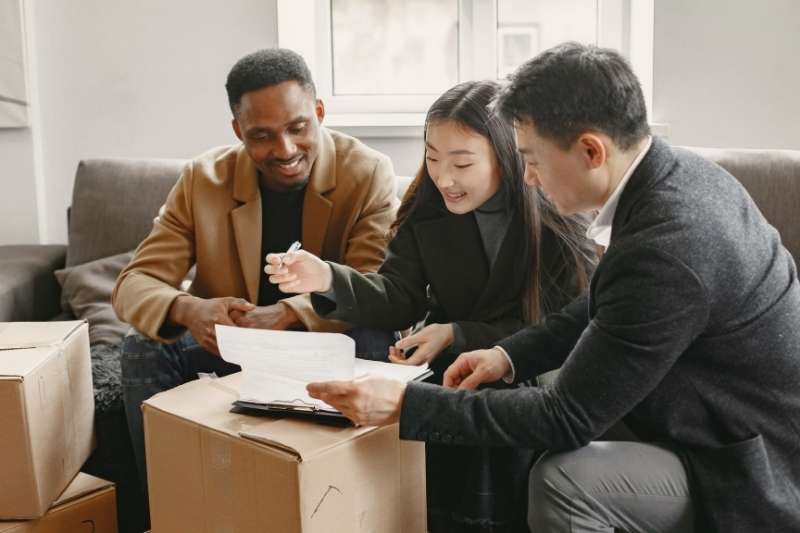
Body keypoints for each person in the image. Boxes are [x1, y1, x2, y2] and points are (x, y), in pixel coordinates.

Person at [276, 43, 800, 533]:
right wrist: (505, 356)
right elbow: (601, 305)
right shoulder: (679, 177)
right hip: (709, 416)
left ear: (591, 150)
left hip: (749, 459)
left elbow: (566, 416)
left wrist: (403, 406)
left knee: (563, 481)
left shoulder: (668, 247)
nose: (527, 176)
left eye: (530, 158)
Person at [266, 80, 596, 532]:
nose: (443, 178)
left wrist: (457, 333)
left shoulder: (556, 214)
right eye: (432, 157)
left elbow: (558, 329)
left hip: (533, 369)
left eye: (461, 163)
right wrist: (324, 276)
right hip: (449, 363)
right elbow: (398, 298)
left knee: (479, 394)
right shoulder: (427, 208)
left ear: (506, 155)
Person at [111, 48, 398, 508]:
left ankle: (351, 506)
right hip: (228, 341)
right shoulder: (202, 178)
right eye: (262, 135)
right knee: (141, 346)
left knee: (372, 331)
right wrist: (190, 308)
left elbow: (369, 284)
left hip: (322, 338)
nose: (284, 150)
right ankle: (169, 509)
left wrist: (288, 313)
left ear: (319, 112)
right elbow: (134, 282)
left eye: (298, 128)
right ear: (238, 131)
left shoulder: (367, 172)